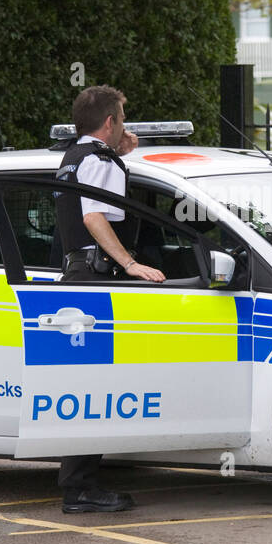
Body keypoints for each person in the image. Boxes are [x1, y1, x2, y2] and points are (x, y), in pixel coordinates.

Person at [53, 85, 165, 513]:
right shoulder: (100, 161)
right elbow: (94, 214)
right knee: (93, 386)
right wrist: (131, 263)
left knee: (85, 384)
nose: (125, 127)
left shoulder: (73, 156)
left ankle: (81, 480)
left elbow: (86, 197)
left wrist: (120, 154)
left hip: (76, 275)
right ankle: (79, 487)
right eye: (122, 119)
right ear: (110, 123)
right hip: (97, 278)